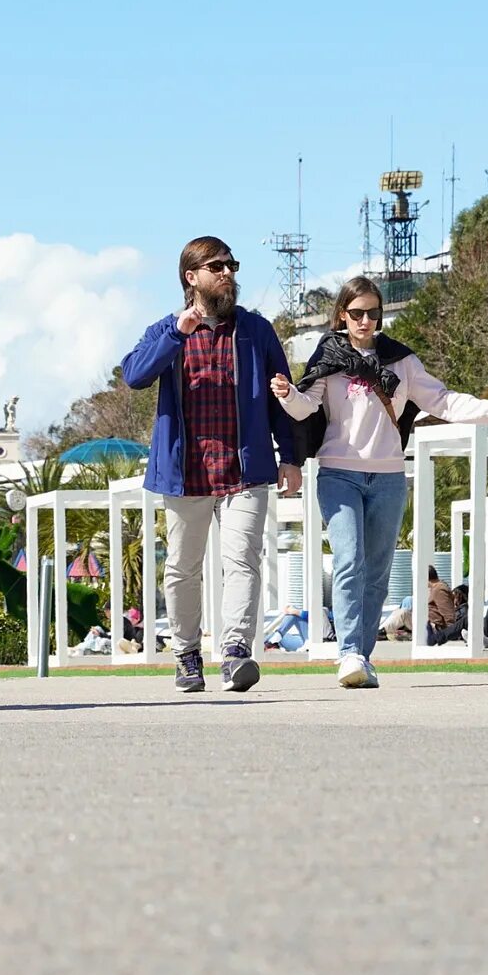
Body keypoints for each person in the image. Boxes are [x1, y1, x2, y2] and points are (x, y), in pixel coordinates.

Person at [275, 276, 488, 689]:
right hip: (338, 473)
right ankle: (348, 652)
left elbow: (442, 400)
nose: (365, 321)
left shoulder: (401, 361)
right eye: (357, 313)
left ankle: (361, 657)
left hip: (388, 476)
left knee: (377, 573)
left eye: (373, 313)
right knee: (349, 560)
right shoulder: (328, 355)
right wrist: (287, 394)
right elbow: (304, 407)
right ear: (342, 315)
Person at [123, 236, 299, 695]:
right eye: (217, 266)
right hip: (186, 473)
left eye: (231, 266)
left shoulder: (256, 330)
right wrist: (176, 335)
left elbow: (281, 397)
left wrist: (290, 456)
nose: (227, 274)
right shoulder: (167, 329)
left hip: (245, 470)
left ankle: (236, 652)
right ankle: (186, 655)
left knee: (242, 560)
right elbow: (134, 375)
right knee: (183, 568)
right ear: (192, 277)